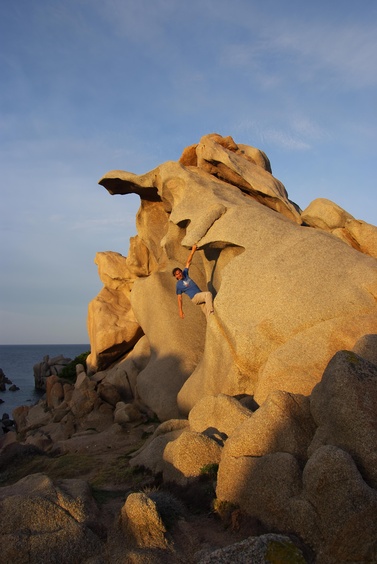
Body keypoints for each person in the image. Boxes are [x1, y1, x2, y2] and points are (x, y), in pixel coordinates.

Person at [172, 244, 214, 320]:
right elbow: (179, 299)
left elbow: (188, 262)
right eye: (177, 274)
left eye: (180, 272)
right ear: (176, 276)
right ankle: (211, 311)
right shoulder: (178, 285)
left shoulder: (185, 274)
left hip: (200, 295)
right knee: (208, 294)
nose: (180, 274)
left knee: (208, 315)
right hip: (195, 297)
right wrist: (180, 310)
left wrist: (193, 250)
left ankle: (211, 320)